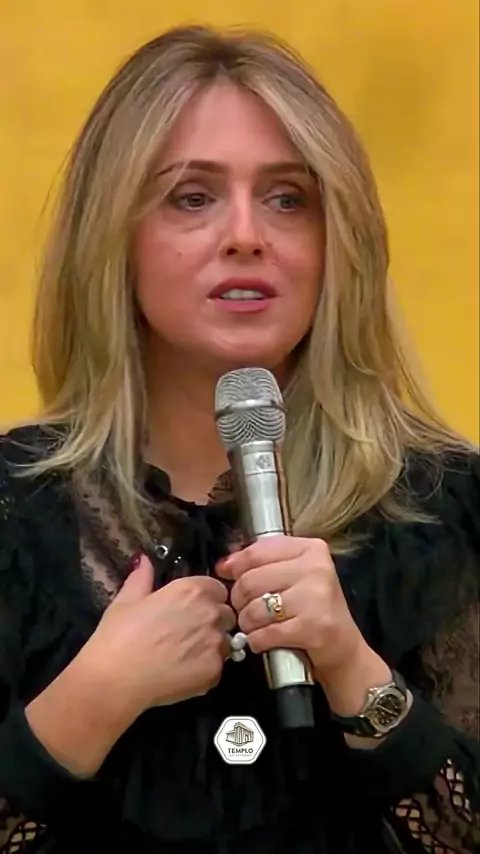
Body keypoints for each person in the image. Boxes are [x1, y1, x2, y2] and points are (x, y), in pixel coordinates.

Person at [0, 24, 478, 854]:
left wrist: (354, 670)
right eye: (193, 197)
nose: (247, 234)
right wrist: (93, 698)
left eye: (288, 198)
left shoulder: (447, 510)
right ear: (112, 236)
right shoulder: (14, 512)